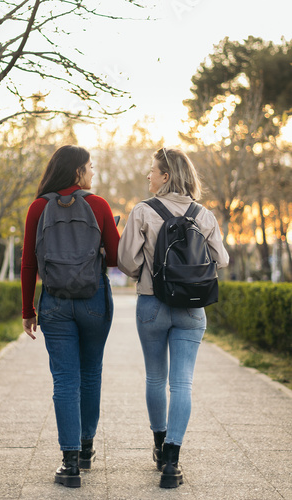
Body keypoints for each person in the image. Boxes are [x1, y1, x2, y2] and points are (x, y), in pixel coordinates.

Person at [117, 147, 229, 489]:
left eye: (152, 171)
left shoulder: (142, 211)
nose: (148, 176)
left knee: (155, 378)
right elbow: (221, 260)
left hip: (152, 304)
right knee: (182, 383)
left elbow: (125, 261)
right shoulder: (204, 215)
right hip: (192, 309)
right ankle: (173, 462)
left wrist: (146, 271)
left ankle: (158, 444)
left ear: (166, 176)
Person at [21, 145, 120, 488]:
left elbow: (28, 264)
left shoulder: (38, 207)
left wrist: (27, 310)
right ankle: (86, 448)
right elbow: (115, 259)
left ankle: (69, 463)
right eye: (90, 168)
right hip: (93, 300)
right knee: (91, 373)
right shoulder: (99, 205)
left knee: (65, 379)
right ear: (77, 172)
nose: (93, 174)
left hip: (55, 303)